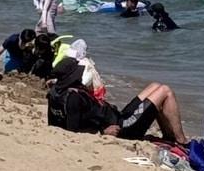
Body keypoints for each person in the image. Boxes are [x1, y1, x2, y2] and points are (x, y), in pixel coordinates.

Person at [46, 56, 189, 144]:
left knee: (155, 86)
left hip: (119, 117)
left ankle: (169, 136)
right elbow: (72, 131)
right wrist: (102, 132)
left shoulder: (55, 93)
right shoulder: (73, 98)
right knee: (165, 91)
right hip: (123, 127)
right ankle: (181, 140)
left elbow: (53, 124)